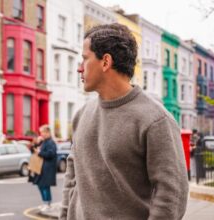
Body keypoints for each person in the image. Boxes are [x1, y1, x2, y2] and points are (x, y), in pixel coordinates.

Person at [59, 23, 188, 220]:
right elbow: (72, 178)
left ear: (105, 62)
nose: (79, 68)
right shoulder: (81, 115)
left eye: (84, 59)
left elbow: (172, 194)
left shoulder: (155, 120)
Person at [32, 125, 57, 212]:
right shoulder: (44, 141)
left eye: (42, 132)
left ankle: (48, 204)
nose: (41, 134)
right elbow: (34, 148)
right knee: (41, 185)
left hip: (48, 168)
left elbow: (51, 154)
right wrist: (37, 143)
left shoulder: (50, 142)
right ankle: (45, 203)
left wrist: (40, 152)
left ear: (47, 132)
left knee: (45, 186)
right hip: (42, 167)